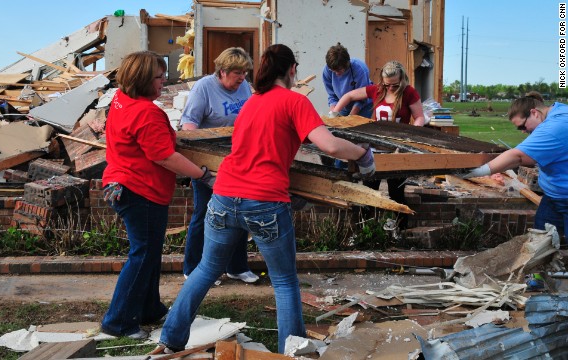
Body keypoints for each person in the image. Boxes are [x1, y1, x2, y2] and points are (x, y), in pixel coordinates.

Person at [157, 44, 375, 354]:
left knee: (206, 269)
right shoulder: (295, 101)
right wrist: (364, 155)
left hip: (224, 196)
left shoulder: (251, 102)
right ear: (291, 70)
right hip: (264, 202)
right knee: (284, 281)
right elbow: (330, 146)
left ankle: (169, 340)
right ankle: (293, 351)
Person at [100, 51, 216, 339]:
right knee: (142, 255)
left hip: (123, 184)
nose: (165, 81)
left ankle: (149, 308)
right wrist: (202, 174)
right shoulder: (146, 112)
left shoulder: (120, 99)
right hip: (140, 191)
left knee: (149, 254)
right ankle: (119, 322)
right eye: (159, 77)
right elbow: (164, 156)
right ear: (141, 79)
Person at [180, 47, 259, 284]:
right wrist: (203, 161)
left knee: (238, 213)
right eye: (237, 73)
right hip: (208, 162)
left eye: (245, 73)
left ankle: (236, 266)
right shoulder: (204, 87)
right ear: (223, 72)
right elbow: (188, 125)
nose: (242, 78)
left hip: (238, 160)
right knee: (204, 212)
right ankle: (193, 268)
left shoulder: (244, 86)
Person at [461, 91, 568, 241]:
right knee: (541, 243)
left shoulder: (556, 126)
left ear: (534, 113)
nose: (523, 131)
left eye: (522, 126)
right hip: (553, 197)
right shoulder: (558, 110)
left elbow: (517, 156)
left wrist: (475, 172)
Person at [332, 60, 425, 228]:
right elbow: (350, 95)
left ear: (402, 79)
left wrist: (414, 131)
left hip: (397, 150)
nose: (390, 88)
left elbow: (419, 116)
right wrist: (335, 112)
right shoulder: (377, 89)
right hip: (374, 149)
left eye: (394, 85)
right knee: (369, 190)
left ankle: (400, 230)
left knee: (396, 192)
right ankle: (367, 229)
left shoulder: (409, 92)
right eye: (387, 84)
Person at [323, 42, 373, 118]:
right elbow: (332, 96)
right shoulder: (327, 70)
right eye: (333, 71)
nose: (336, 74)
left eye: (339, 70)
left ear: (347, 63)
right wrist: (333, 114)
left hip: (363, 105)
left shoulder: (360, 69)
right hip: (343, 106)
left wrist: (351, 117)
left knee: (356, 128)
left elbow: (362, 99)